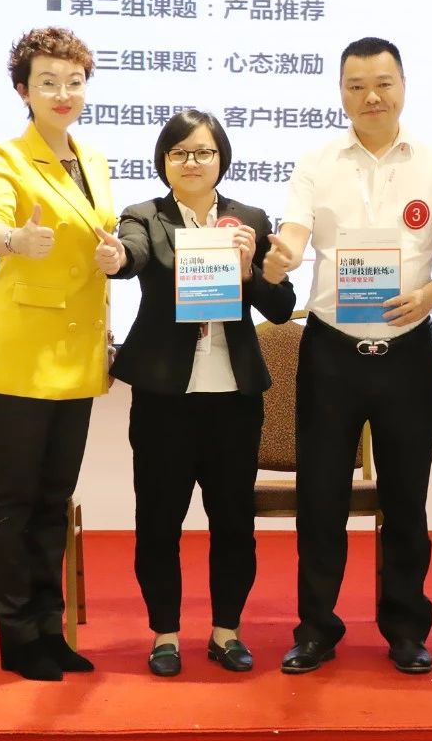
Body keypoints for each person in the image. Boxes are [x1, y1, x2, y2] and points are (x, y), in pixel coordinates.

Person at [261, 36, 432, 676]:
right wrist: (282, 256)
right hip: (331, 352)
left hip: (407, 351)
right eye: (356, 86)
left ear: (403, 86)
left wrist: (430, 295)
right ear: (341, 93)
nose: (371, 96)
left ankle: (405, 629)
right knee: (320, 499)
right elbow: (294, 234)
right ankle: (315, 629)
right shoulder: (317, 161)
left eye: (382, 83)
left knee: (407, 499)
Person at [101, 110, 296, 677]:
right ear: (164, 161)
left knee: (233, 521)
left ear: (221, 159)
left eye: (204, 151)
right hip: (166, 397)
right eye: (179, 152)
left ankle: (226, 632)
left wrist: (251, 272)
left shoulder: (249, 220)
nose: (192, 162)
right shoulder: (145, 216)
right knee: (158, 521)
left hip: (234, 397)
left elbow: (281, 308)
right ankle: (165, 634)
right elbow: (132, 255)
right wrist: (117, 258)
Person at [0, 26, 115, 681]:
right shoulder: (7, 155)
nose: (63, 93)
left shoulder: (95, 159)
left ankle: (50, 629)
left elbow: (97, 237)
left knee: (55, 499)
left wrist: (115, 254)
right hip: (21, 355)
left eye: (74, 81)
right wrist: (12, 241)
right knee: (13, 499)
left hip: (78, 355)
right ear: (23, 90)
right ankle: (16, 633)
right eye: (48, 82)